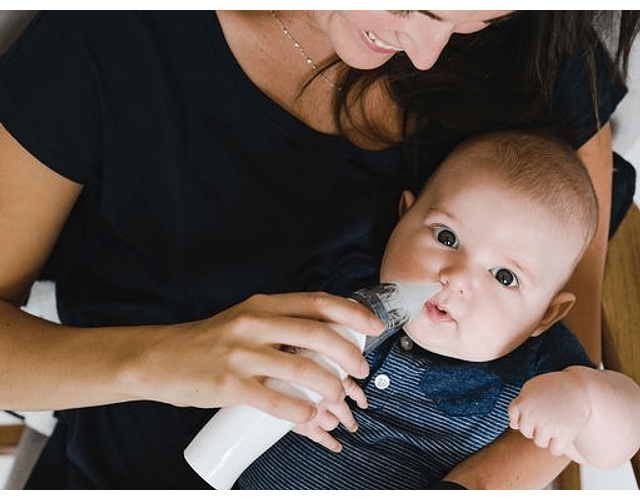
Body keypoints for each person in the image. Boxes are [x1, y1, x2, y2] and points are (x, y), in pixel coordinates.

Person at [0, 10, 638, 489]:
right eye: (415, 8)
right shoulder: (107, 40)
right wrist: (160, 360)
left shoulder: (536, 43)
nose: (426, 55)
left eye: (472, 23)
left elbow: (572, 394)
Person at [236, 130, 640, 489]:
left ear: (545, 317)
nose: (457, 277)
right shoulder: (345, 278)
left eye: (504, 277)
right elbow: (252, 348)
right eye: (446, 237)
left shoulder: (537, 364)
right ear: (403, 217)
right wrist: (291, 392)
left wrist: (583, 400)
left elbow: (623, 435)